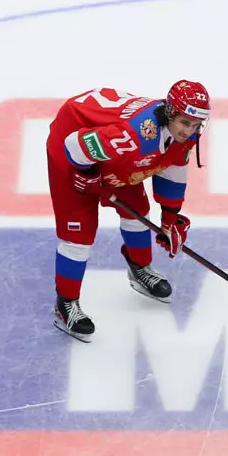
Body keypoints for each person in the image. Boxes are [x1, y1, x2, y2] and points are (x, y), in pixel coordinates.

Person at [45, 81, 210, 342]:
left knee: (136, 211)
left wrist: (170, 219)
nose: (188, 131)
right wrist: (86, 174)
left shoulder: (185, 133)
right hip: (73, 147)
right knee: (79, 235)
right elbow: (76, 145)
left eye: (194, 125)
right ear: (170, 113)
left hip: (109, 149)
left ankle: (139, 269)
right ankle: (65, 306)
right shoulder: (132, 136)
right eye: (184, 123)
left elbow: (173, 168)